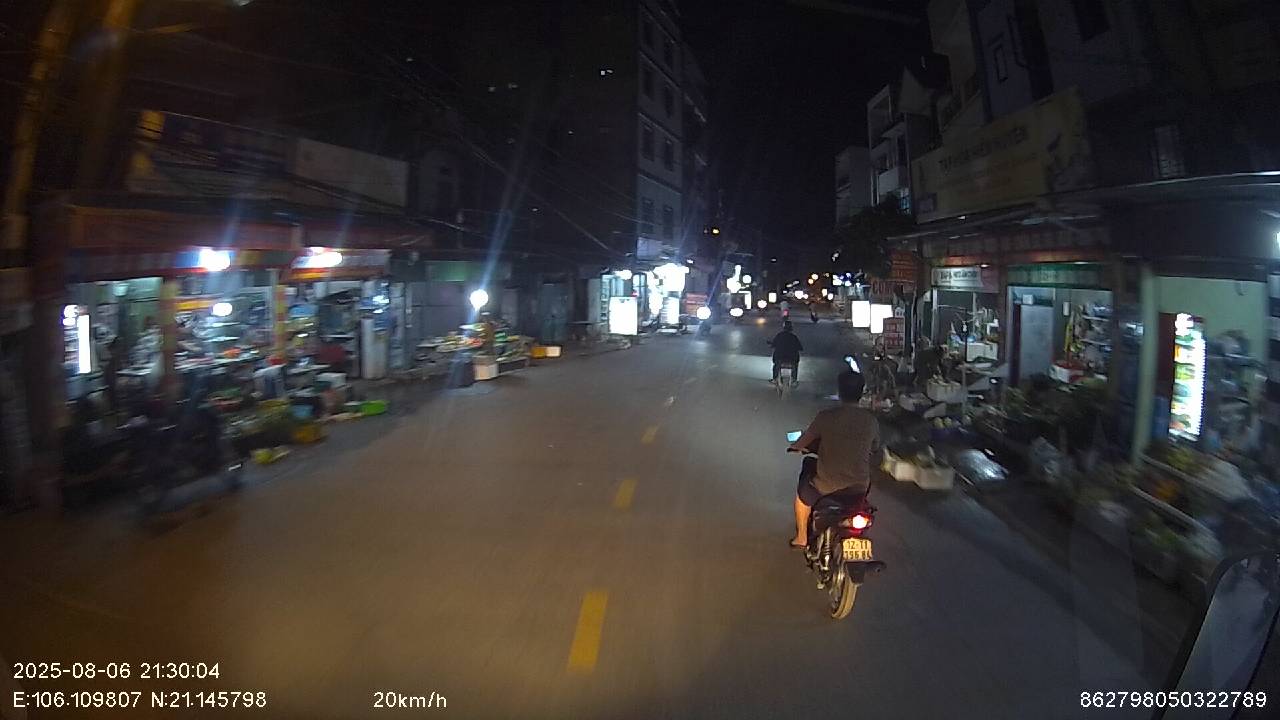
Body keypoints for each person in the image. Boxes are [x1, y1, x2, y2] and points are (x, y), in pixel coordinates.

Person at [787, 371, 881, 548]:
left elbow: (805, 440)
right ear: (861, 392)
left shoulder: (826, 416)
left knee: (803, 496)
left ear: (839, 391)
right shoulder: (871, 421)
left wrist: (795, 447)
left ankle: (801, 538)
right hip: (859, 487)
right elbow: (875, 448)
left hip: (827, 486)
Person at [768, 320, 803, 385]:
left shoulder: (779, 335)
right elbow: (800, 348)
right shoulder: (794, 337)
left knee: (776, 365)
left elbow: (773, 345)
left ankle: (774, 379)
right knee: (795, 365)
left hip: (779, 357)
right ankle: (794, 379)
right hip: (792, 358)